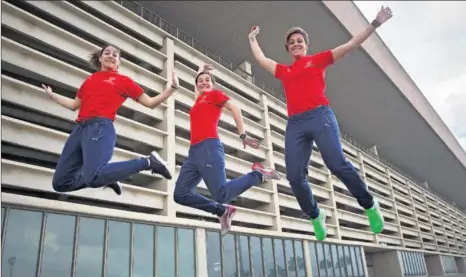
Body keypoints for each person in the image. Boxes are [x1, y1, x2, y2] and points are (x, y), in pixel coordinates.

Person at [248, 7, 393, 240]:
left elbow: (351, 45)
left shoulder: (318, 60)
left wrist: (375, 23)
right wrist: (252, 39)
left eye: (299, 41)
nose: (296, 44)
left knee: (336, 164)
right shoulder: (284, 71)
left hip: (320, 116)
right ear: (288, 48)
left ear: (306, 45)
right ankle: (315, 215)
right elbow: (261, 59)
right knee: (294, 176)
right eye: (292, 42)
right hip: (296, 123)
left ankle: (369, 205)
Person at [42, 44, 178, 196]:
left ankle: (148, 162)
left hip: (100, 128)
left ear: (118, 62)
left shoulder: (123, 81)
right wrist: (53, 96)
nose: (111, 56)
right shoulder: (89, 80)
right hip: (80, 130)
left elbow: (151, 103)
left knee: (93, 177)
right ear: (100, 58)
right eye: (107, 53)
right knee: (60, 183)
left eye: (115, 54)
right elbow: (74, 105)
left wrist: (171, 89)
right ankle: (108, 176)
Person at [173, 64, 280, 235]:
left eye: (207, 80)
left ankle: (259, 174)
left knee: (221, 194)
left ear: (213, 85)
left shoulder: (215, 95)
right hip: (193, 154)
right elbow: (197, 88)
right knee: (180, 194)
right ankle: (222, 211)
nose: (203, 83)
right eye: (200, 81)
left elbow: (234, 108)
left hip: (209, 148)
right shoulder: (199, 100)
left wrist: (243, 135)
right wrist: (201, 70)